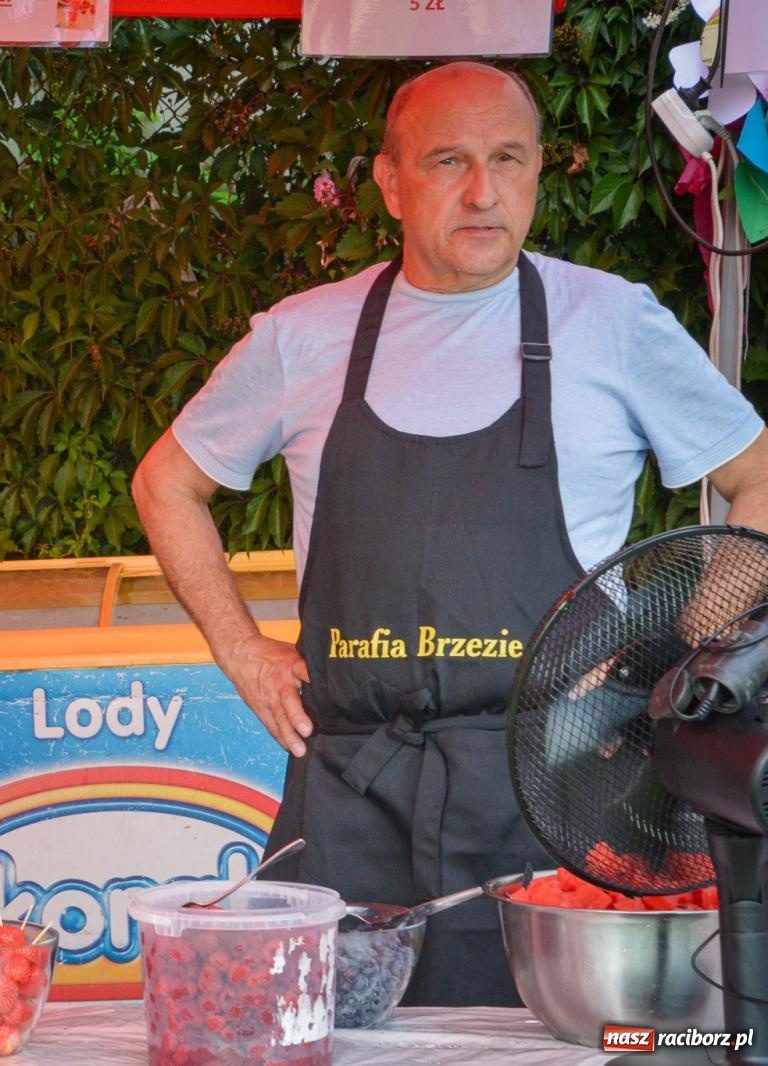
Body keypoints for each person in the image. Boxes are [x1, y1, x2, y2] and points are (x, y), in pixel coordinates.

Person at [132, 61, 768, 1007]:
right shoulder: (302, 336)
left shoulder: (615, 321)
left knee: (562, 1046)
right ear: (389, 182)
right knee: (326, 1040)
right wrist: (241, 651)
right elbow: (166, 483)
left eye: (508, 159)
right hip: (347, 795)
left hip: (553, 796)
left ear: (539, 171)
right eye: (448, 161)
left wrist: (683, 653)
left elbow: (757, 480)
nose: (483, 191)